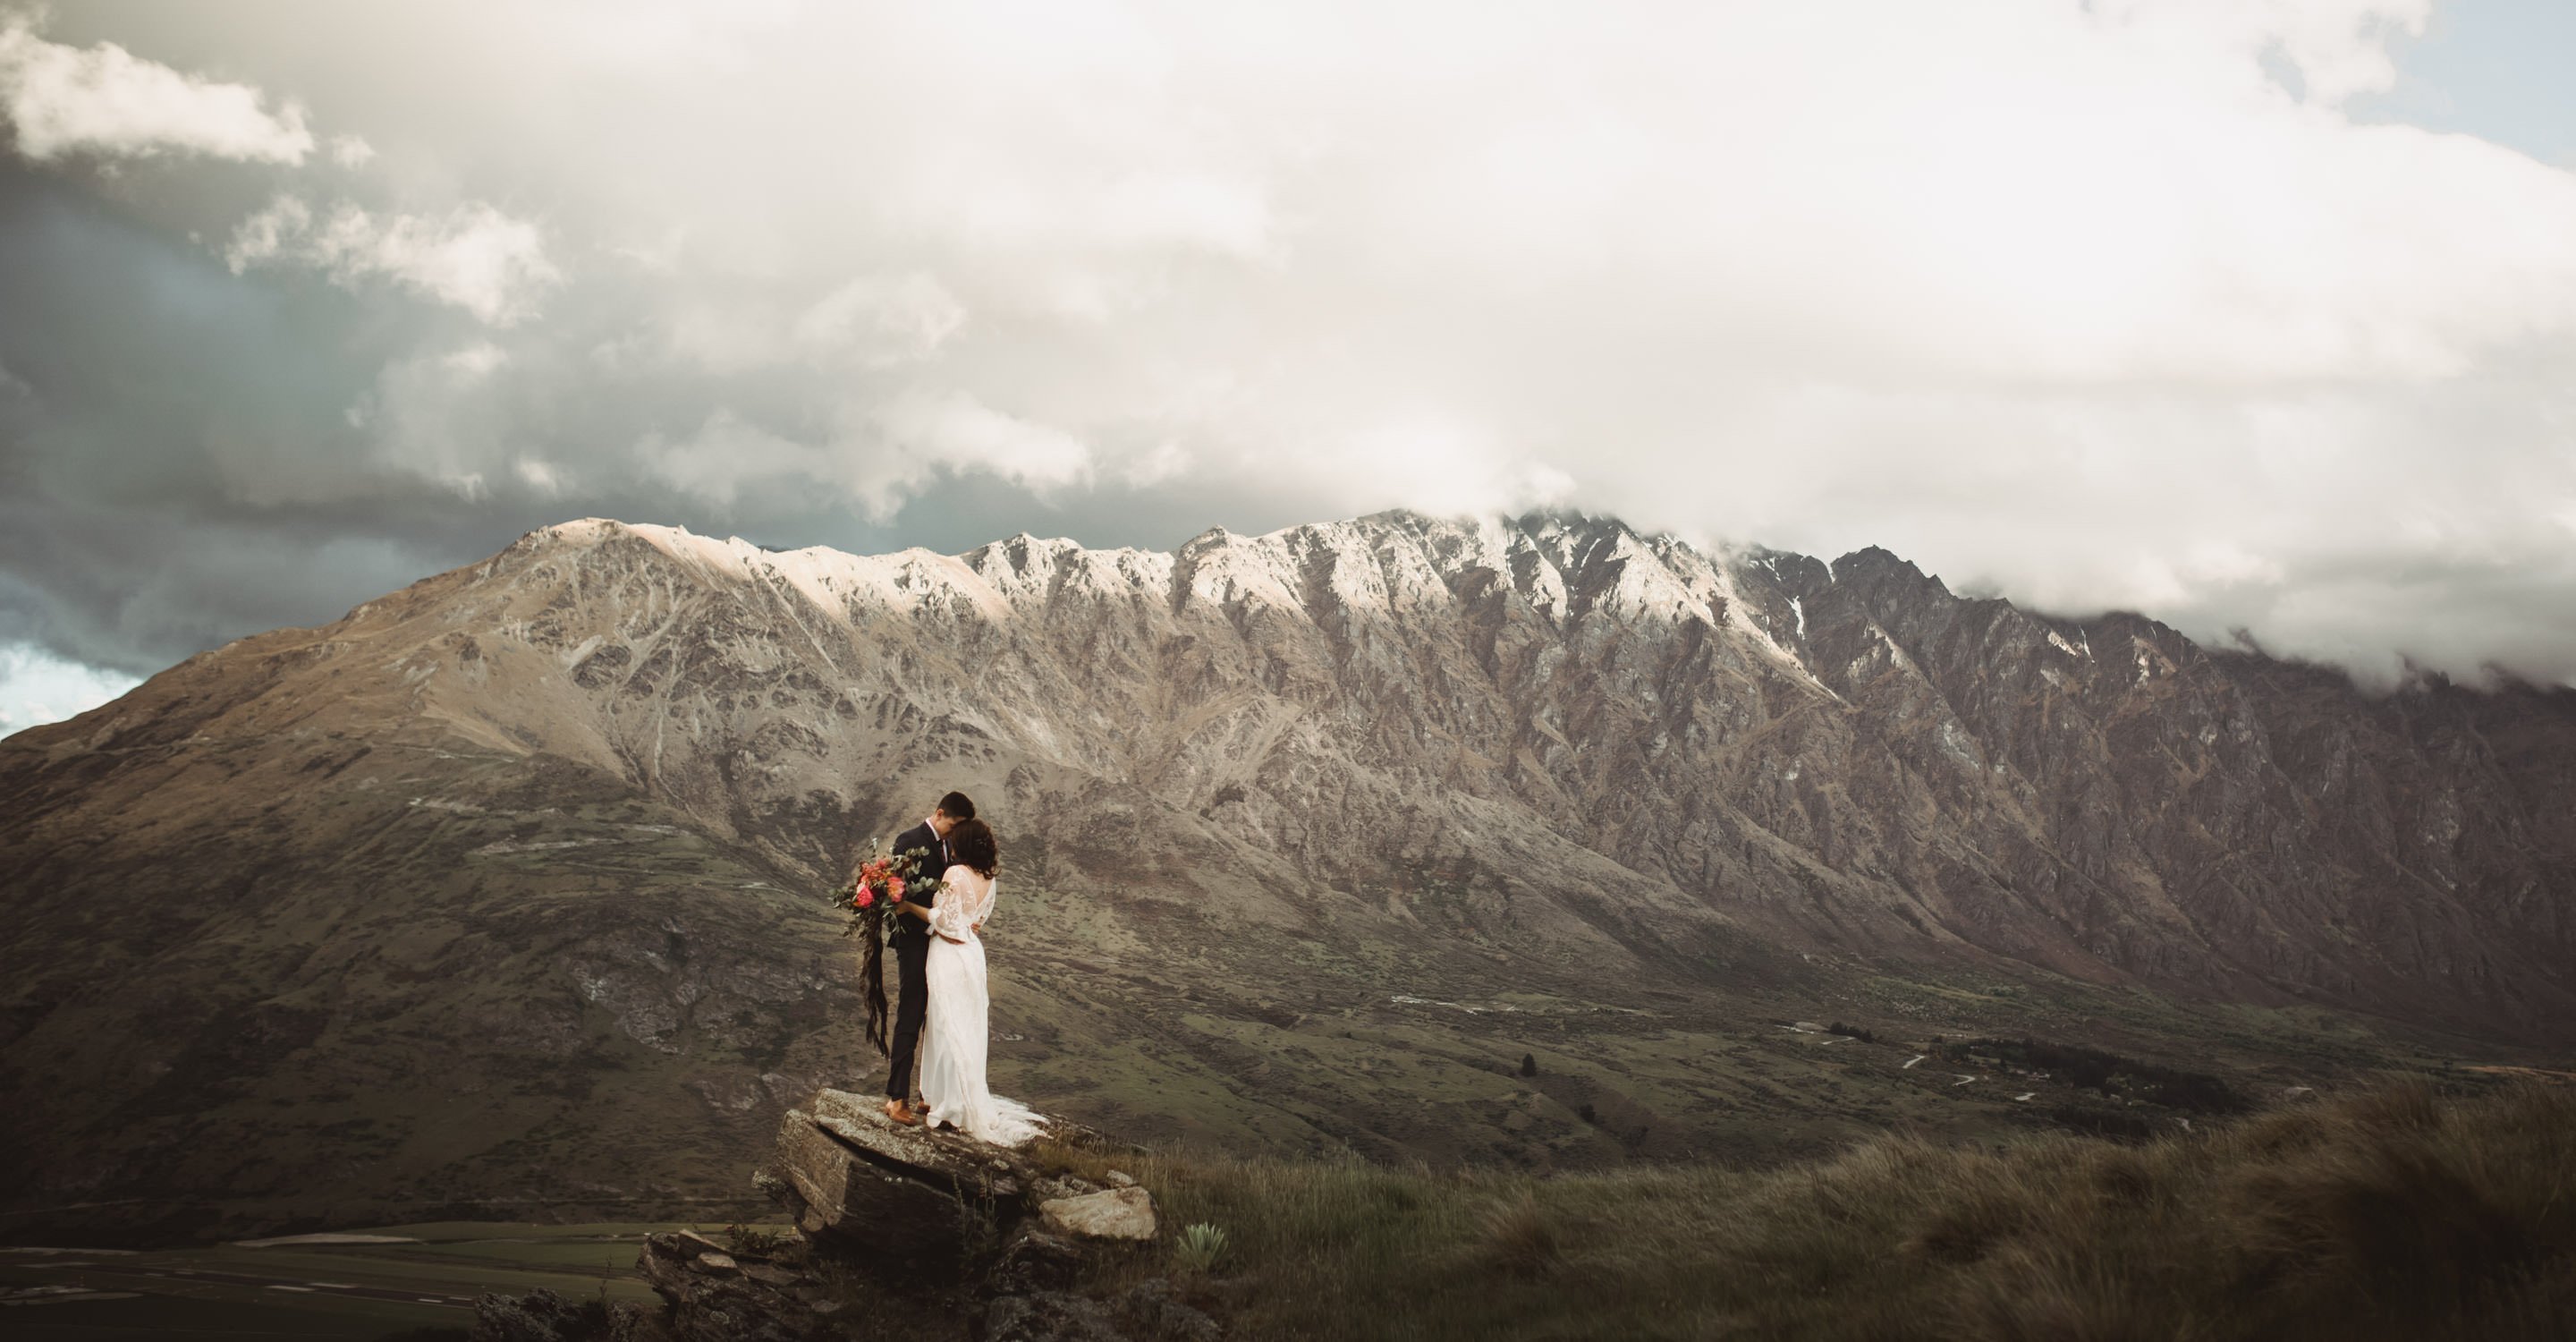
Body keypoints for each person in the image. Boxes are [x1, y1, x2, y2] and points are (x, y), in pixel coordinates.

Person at [895, 816, 1045, 1147]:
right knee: (967, 1027)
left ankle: (943, 1101)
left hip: (948, 954)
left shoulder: (954, 874)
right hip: (973, 956)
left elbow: (942, 921)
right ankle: (949, 1095)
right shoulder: (989, 880)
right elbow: (975, 922)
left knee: (945, 1025)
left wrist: (907, 906)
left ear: (960, 844)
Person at [880, 791, 971, 1126]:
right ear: (939, 813)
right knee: (911, 1012)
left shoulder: (951, 847)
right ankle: (896, 1097)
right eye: (954, 824)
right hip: (914, 941)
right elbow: (896, 892)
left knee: (939, 1018)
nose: (955, 831)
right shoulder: (909, 840)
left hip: (940, 944)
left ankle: (928, 1095)